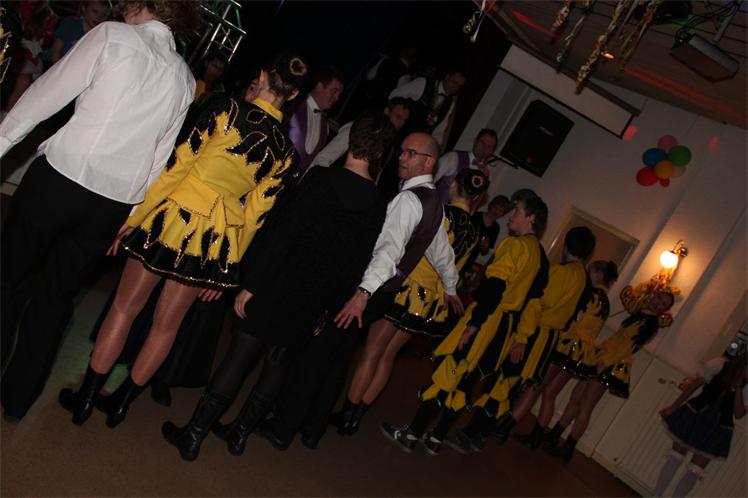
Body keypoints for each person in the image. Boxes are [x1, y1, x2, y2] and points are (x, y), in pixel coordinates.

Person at [57, 53, 309, 428]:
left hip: (173, 218)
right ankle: (121, 405)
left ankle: (86, 399)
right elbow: (254, 218)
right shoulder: (286, 154)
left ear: (261, 75)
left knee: (124, 309)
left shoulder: (225, 109)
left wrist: (134, 217)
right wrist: (227, 267)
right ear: (294, 95)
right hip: (214, 240)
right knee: (167, 326)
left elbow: (177, 168)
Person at [0, 0, 199, 421]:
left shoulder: (112, 36)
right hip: (110, 204)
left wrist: (1, 143)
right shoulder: (184, 77)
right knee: (56, 298)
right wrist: (131, 216)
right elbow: (159, 158)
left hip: (60, 179)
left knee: (8, 278)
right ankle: (17, 399)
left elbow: (44, 96)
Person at [162, 112, 395, 461]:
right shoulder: (377, 204)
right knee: (277, 364)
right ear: (381, 152)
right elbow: (356, 263)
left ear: (351, 139)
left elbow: (283, 237)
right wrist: (326, 310)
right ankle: (239, 434)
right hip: (313, 298)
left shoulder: (320, 179)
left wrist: (251, 285)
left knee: (239, 359)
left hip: (278, 284)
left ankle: (193, 435)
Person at [256, 132, 460, 450]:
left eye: (410, 153)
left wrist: (362, 294)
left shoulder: (409, 200)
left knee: (317, 355)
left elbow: (388, 253)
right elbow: (441, 251)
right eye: (402, 151)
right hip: (382, 293)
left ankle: (284, 428)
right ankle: (312, 429)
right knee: (338, 357)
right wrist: (451, 286)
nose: (401, 158)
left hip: (368, 290)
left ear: (429, 162)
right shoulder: (434, 201)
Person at [380, 193, 549, 455]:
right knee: (466, 382)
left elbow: (495, 287)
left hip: (488, 319)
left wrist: (474, 325)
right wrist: (521, 337)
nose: (511, 215)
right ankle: (436, 437)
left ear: (531, 218)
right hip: (504, 328)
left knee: (449, 372)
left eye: (517, 210)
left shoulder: (515, 246)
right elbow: (533, 301)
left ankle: (412, 434)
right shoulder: (539, 255)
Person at [340, 169, 488, 433]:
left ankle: (347, 415)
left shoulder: (441, 213)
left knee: (372, 352)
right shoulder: (476, 232)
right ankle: (358, 414)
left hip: (406, 289)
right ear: (477, 197)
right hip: (430, 301)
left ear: (454, 185)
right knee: (389, 355)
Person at [454, 226, 596, 452]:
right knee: (509, 389)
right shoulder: (584, 279)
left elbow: (536, 304)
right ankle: (480, 435)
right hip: (548, 339)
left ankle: (470, 434)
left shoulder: (562, 272)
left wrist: (521, 337)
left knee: (500, 385)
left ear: (567, 245)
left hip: (534, 334)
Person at [544, 289, 676, 462]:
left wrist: (604, 364)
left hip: (612, 362)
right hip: (603, 356)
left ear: (664, 310)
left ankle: (568, 448)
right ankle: (554, 435)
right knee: (576, 396)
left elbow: (628, 347)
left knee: (585, 405)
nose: (658, 303)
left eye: (663, 304)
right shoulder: (641, 314)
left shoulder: (650, 324)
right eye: (658, 298)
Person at [514, 260, 618, 450]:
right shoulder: (606, 303)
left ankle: (506, 425)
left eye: (590, 270)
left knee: (536, 386)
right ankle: (536, 436)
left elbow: (574, 319)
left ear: (598, 273)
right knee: (549, 394)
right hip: (581, 354)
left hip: (567, 347)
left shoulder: (590, 294)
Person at [653, 351, 747, 497]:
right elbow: (694, 385)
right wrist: (674, 406)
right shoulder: (720, 364)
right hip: (694, 414)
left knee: (694, 471)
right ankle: (656, 495)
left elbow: (739, 414)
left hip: (718, 427)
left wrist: (740, 387)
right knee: (675, 458)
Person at [309, 97, 410, 171]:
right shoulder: (358, 128)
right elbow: (323, 158)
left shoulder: (389, 146)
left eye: (404, 120)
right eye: (398, 116)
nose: (400, 123)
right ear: (387, 111)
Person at [389, 66, 466, 150]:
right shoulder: (423, 83)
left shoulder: (451, 103)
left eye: (459, 86)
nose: (455, 88)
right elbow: (394, 95)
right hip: (398, 135)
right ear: (447, 77)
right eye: (454, 82)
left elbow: (440, 129)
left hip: (416, 145)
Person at [289, 66, 344, 175]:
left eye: (339, 94)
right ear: (319, 86)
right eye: (334, 91)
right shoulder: (294, 105)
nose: (337, 98)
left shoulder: (325, 125)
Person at [434, 129, 498, 205]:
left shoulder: (486, 175)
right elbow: (431, 177)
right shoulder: (453, 157)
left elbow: (478, 201)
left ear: (492, 151)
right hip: (438, 207)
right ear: (475, 141)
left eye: (489, 147)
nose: (485, 148)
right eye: (483, 143)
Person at [48, 0, 110, 65]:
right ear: (84, 8)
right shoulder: (70, 23)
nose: (99, 17)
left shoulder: (101, 35)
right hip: (55, 65)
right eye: (95, 11)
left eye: (103, 15)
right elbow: (55, 51)